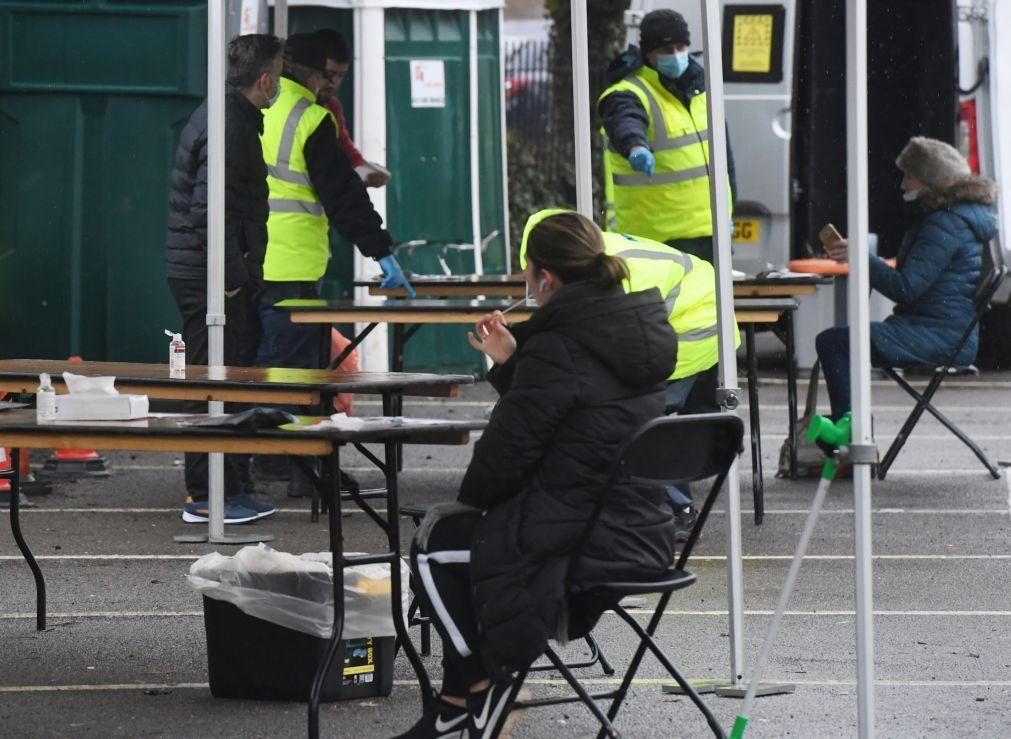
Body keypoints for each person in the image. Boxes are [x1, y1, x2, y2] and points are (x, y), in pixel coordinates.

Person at [396, 211, 678, 738]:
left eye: (526, 274)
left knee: (434, 541)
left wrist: (472, 501)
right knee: (466, 535)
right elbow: (571, 416)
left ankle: (480, 686)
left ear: (544, 278)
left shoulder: (558, 346)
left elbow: (506, 456)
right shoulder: (628, 332)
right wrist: (512, 364)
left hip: (584, 538)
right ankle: (459, 700)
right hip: (643, 531)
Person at [256, 33, 413, 496]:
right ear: (309, 71)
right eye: (333, 76)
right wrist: (381, 250)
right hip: (291, 264)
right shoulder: (310, 118)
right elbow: (343, 196)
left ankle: (266, 464)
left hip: (246, 263)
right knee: (296, 372)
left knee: (259, 366)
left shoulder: (253, 106)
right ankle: (295, 466)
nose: (336, 86)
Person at [519, 209, 739, 540]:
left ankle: (671, 509)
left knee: (638, 411)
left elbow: (605, 341)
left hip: (698, 325)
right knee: (636, 409)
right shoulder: (592, 256)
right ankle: (655, 505)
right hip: (692, 312)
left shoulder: (615, 276)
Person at [165, 33, 283, 524]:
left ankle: (229, 485)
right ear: (265, 78)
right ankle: (204, 494)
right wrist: (232, 279)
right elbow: (207, 211)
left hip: (210, 271)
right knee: (210, 381)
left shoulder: (227, 115)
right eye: (279, 73)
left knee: (228, 381)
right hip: (209, 276)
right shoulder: (230, 124)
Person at [816, 136, 998, 421]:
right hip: (942, 329)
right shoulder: (954, 218)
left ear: (929, 181)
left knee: (834, 342)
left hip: (939, 335)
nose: (902, 185)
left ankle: (850, 429)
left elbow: (906, 288)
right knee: (840, 340)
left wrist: (861, 258)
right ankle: (850, 424)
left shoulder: (945, 223)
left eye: (909, 176)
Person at [598, 8, 736, 264]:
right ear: (647, 53)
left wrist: (729, 212)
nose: (676, 56)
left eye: (680, 47)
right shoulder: (628, 92)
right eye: (665, 50)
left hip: (711, 233)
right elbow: (625, 120)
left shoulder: (703, 88)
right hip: (655, 240)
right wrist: (635, 147)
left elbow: (724, 161)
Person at [314, 29, 391, 188]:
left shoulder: (332, 106)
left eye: (341, 75)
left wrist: (363, 169)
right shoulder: (283, 106)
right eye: (329, 74)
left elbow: (344, 147)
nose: (334, 83)